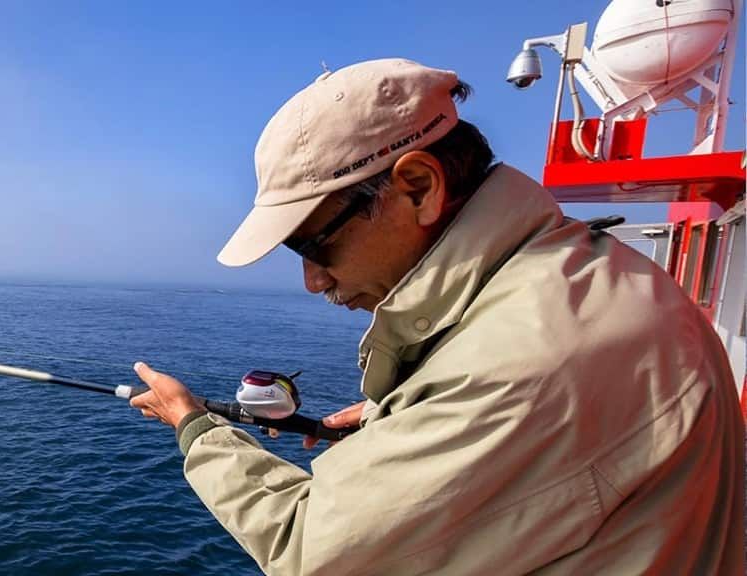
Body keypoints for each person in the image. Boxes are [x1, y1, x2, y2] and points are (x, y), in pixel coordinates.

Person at [128, 58, 745, 575]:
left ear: (419, 186)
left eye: (316, 244)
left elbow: (307, 549)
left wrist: (193, 427)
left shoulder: (522, 365)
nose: (314, 280)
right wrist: (397, 418)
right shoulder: (599, 276)